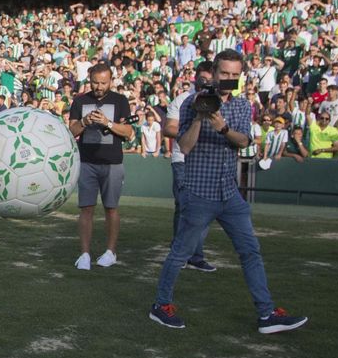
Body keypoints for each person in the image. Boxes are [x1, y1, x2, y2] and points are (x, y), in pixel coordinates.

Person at [149, 50, 307, 334]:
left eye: (235, 75)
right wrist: (200, 117)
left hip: (230, 193)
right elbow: (184, 146)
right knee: (180, 253)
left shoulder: (242, 106)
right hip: (199, 191)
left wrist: (222, 127)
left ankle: (266, 313)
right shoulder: (190, 103)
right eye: (225, 74)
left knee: (250, 251)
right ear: (214, 73)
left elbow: (244, 140)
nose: (230, 80)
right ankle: (161, 306)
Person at [68, 62, 135, 269]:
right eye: (95, 83)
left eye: (103, 83)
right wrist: (85, 122)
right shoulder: (80, 101)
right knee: (86, 208)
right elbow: (71, 131)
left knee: (111, 208)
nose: (99, 87)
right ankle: (85, 254)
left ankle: (110, 251)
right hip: (86, 161)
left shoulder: (120, 100)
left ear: (111, 81)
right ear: (89, 81)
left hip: (112, 162)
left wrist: (107, 123)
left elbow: (128, 132)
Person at [165, 62, 217, 273]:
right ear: (195, 78)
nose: (205, 84)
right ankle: (186, 253)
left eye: (209, 80)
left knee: (202, 209)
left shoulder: (218, 101)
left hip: (207, 159)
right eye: (202, 79)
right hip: (183, 158)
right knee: (185, 206)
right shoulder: (182, 99)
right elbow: (169, 128)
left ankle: (189, 253)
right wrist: (191, 129)